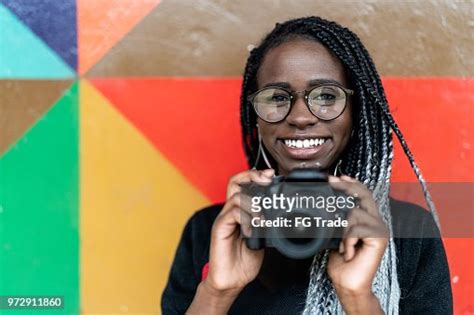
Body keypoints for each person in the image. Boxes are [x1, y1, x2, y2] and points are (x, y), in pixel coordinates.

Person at [161, 16, 452, 314]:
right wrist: (218, 292)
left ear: (355, 112)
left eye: (326, 96)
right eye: (277, 97)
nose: (301, 117)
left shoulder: (408, 232)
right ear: (256, 118)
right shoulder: (213, 230)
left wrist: (357, 296)